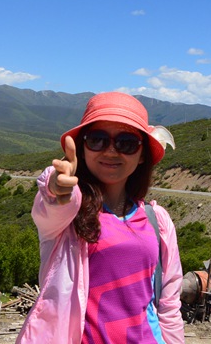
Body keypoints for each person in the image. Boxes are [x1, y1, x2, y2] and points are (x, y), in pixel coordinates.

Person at [16, 92, 184, 343]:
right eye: (97, 140)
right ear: (82, 149)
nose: (111, 151)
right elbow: (52, 202)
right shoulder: (68, 215)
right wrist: (55, 184)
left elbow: (169, 305)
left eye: (127, 143)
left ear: (142, 155)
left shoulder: (157, 220)